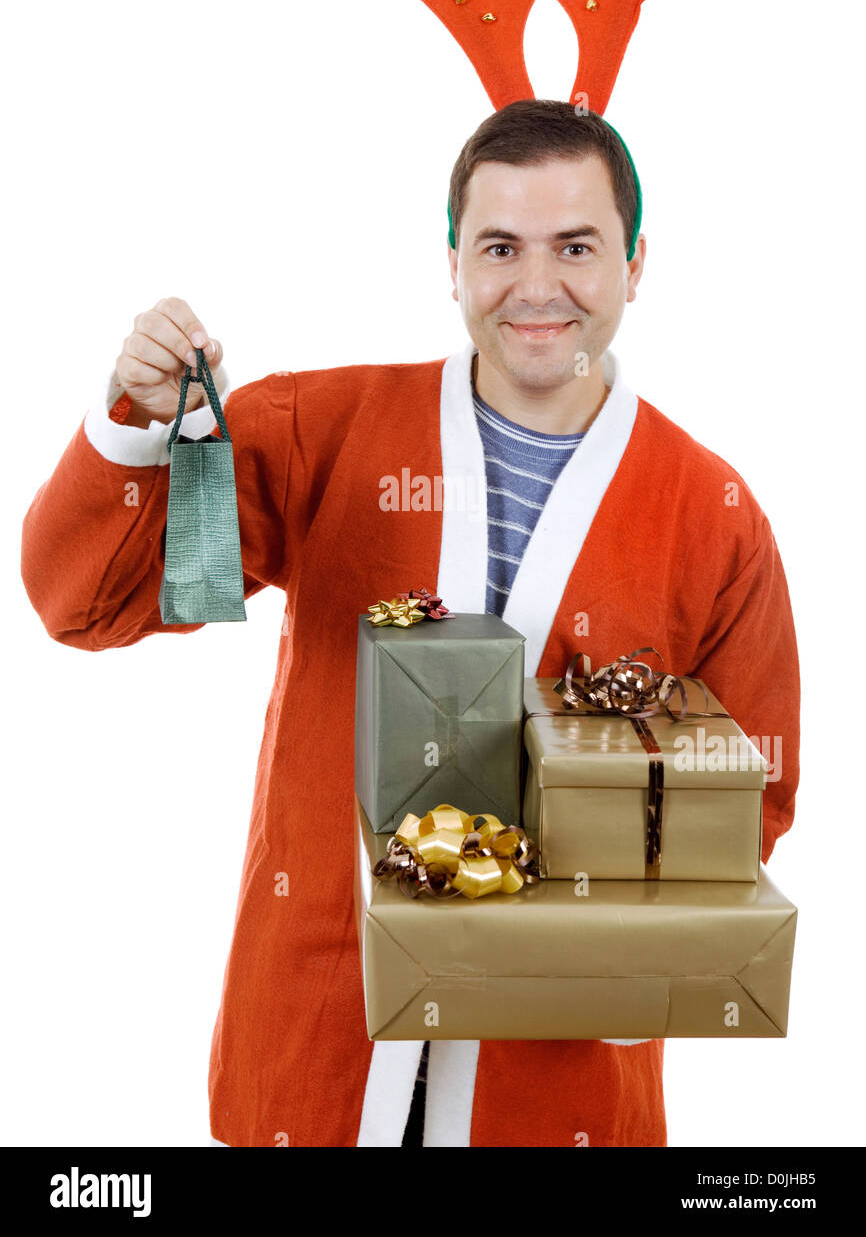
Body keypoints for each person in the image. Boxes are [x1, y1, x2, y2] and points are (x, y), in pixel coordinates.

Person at [20, 100, 800, 1146]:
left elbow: (746, 799)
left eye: (575, 246)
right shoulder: (317, 432)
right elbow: (82, 603)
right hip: (312, 1056)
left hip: (558, 1088)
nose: (535, 286)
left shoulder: (714, 518)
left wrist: (614, 960)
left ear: (634, 261)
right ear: (450, 263)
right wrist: (133, 423)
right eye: (498, 247)